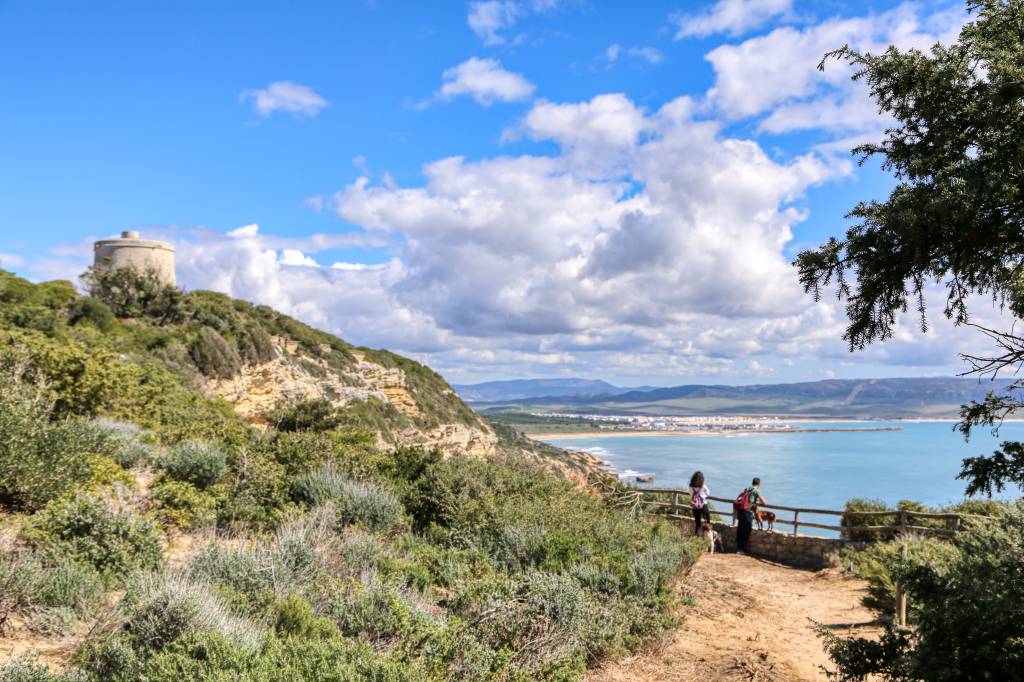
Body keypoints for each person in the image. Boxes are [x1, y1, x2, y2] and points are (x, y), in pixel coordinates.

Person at [735, 477, 766, 554]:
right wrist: (757, 501)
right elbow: (765, 502)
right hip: (747, 512)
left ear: (752, 483)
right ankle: (742, 549)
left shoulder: (747, 489)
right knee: (746, 530)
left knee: (740, 529)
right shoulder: (756, 491)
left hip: (740, 511)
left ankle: (739, 548)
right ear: (759, 484)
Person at [689, 471, 710, 535]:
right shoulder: (703, 486)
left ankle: (697, 536)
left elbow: (691, 495)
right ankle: (707, 534)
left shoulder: (691, 486)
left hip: (695, 505)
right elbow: (708, 493)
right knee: (707, 520)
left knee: (698, 522)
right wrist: (703, 496)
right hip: (703, 504)